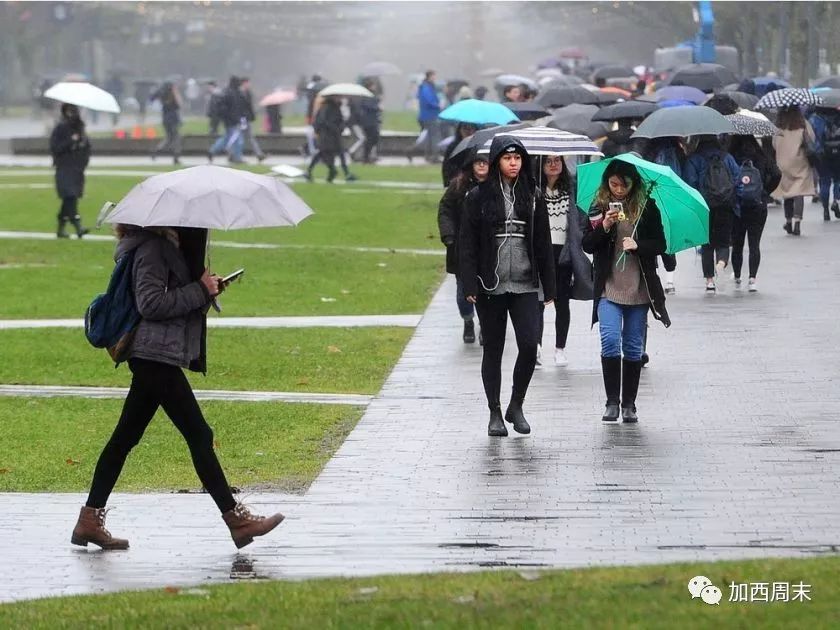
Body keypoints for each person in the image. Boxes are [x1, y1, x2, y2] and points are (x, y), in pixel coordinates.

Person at [72, 225, 284, 550]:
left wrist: (207, 290)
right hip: (153, 355)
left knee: (125, 438)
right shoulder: (152, 250)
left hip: (159, 355)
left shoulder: (161, 248)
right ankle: (237, 519)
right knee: (198, 434)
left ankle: (89, 520)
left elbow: (172, 301)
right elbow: (151, 304)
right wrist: (199, 290)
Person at [459, 137, 556, 437]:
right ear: (497, 161)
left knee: (529, 345)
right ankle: (494, 412)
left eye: (517, 158)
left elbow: (543, 241)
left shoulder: (534, 195)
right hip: (491, 284)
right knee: (494, 348)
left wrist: (550, 286)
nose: (513, 163)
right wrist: (469, 282)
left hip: (525, 282)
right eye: (507, 158)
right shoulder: (477, 197)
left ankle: (517, 403)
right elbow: (467, 244)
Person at [581, 160, 670, 423]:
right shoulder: (598, 208)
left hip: (639, 288)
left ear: (634, 184)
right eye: (613, 184)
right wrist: (605, 227)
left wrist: (638, 245)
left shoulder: (647, 207)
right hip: (609, 286)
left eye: (624, 185)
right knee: (609, 340)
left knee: (633, 347)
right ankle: (611, 402)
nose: (619, 190)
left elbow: (661, 244)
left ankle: (629, 404)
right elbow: (587, 244)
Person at [536, 155, 593, 367]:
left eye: (557, 160)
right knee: (538, 302)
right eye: (548, 161)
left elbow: (582, 217)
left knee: (562, 302)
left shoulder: (572, 189)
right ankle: (537, 346)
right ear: (541, 165)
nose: (553, 164)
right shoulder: (535, 190)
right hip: (541, 252)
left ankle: (560, 348)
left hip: (565, 253)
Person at [438, 149, 489, 344]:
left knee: (487, 291)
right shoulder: (458, 186)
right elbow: (445, 210)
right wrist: (449, 235)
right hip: (463, 248)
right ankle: (468, 320)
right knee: (463, 292)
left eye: (486, 162)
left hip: (488, 248)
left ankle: (486, 325)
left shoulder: (496, 186)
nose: (482, 165)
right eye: (478, 162)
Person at [684, 135, 741, 293]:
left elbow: (690, 183)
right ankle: (721, 264)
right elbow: (737, 179)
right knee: (723, 242)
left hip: (704, 206)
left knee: (707, 244)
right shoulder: (727, 157)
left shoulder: (694, 159)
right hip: (725, 205)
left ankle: (709, 281)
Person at [728, 134, 781, 292]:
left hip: (738, 206)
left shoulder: (731, 156)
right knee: (754, 244)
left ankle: (737, 275)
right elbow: (777, 174)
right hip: (758, 205)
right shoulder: (761, 156)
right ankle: (752, 279)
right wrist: (765, 191)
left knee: (737, 243)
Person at [643, 136, 685, 295]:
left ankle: (655, 275)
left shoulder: (649, 146)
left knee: (649, 235)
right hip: (671, 195)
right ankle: (670, 280)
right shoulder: (677, 148)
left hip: (650, 194)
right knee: (667, 234)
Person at [49, 103, 91, 239]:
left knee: (70, 198)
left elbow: (87, 148)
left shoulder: (80, 128)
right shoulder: (60, 128)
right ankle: (77, 226)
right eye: (69, 110)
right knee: (70, 196)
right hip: (64, 167)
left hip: (77, 167)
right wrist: (70, 142)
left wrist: (83, 154)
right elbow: (55, 148)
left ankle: (61, 229)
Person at [773, 106, 816, 236]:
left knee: (787, 192)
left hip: (783, 162)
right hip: (800, 161)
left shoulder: (779, 125)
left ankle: (788, 221)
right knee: (799, 192)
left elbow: (774, 144)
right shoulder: (802, 123)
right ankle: (797, 222)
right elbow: (812, 139)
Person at [808, 106, 840, 221]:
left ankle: (825, 209)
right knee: (838, 180)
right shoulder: (838, 117)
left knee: (824, 180)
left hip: (821, 154)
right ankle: (836, 201)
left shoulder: (814, 119)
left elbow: (811, 138)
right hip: (837, 153)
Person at [306, 96, 346, 182]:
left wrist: (339, 128)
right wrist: (335, 128)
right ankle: (332, 171)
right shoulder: (327, 107)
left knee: (325, 153)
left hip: (331, 135)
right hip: (327, 135)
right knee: (324, 153)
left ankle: (332, 172)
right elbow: (322, 121)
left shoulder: (333, 107)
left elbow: (340, 121)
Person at [208, 76, 245, 163]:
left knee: (227, 138)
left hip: (228, 120)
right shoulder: (234, 93)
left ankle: (212, 151)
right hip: (233, 120)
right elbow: (236, 108)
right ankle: (237, 157)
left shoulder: (226, 92)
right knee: (238, 139)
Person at [150, 81, 182, 165]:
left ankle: (156, 151)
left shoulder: (162, 96)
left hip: (165, 119)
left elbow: (152, 98)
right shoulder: (173, 95)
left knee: (169, 138)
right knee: (176, 138)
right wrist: (176, 93)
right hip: (173, 119)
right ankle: (176, 157)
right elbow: (179, 104)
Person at [238, 77, 266, 162]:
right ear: (243, 83)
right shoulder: (239, 93)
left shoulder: (248, 93)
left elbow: (250, 107)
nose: (249, 85)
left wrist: (252, 116)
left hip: (246, 118)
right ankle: (235, 155)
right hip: (241, 119)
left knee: (249, 137)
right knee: (240, 138)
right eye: (247, 83)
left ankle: (259, 154)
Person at [416, 70, 441, 163]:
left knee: (428, 137)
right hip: (430, 115)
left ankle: (428, 155)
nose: (435, 78)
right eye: (434, 76)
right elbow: (429, 100)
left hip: (426, 115)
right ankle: (434, 156)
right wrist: (438, 105)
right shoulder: (427, 88)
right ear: (429, 76)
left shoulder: (424, 87)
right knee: (434, 136)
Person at [441, 123, 477, 187]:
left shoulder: (479, 145)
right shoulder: (453, 147)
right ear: (459, 130)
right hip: (457, 182)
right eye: (465, 128)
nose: (468, 131)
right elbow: (447, 166)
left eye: (471, 128)